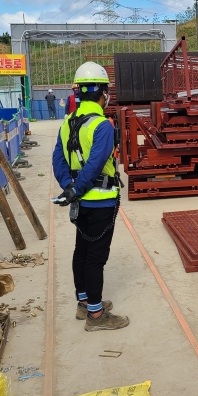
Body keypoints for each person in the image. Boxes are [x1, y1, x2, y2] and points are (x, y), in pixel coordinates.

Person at [52, 62, 127, 331]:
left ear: (79, 92)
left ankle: (84, 303)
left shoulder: (68, 123)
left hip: (80, 203)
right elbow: (95, 164)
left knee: (81, 251)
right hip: (101, 201)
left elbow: (58, 160)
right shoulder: (102, 125)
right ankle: (96, 315)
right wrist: (77, 189)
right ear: (102, 93)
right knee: (96, 257)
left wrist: (70, 188)